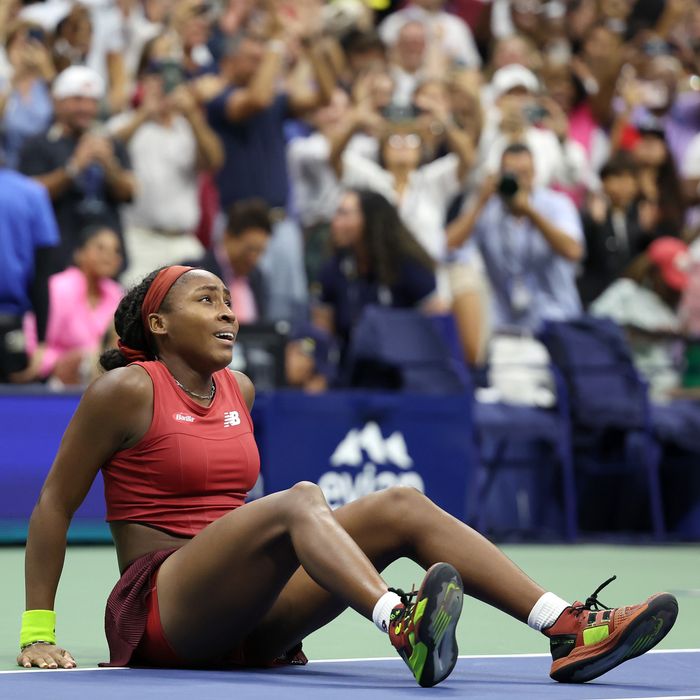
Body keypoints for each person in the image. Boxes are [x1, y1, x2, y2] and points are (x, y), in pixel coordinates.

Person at [17, 265, 678, 688]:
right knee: (301, 499)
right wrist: (37, 632)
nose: (228, 312)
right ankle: (400, 622)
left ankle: (566, 627)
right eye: (205, 300)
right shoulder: (126, 389)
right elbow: (53, 504)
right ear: (158, 324)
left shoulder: (238, 389)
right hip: (166, 610)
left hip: (245, 614)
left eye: (228, 300)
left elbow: (242, 519)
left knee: (400, 504)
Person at [108, 54, 224, 288]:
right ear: (145, 83)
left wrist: (191, 113)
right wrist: (144, 113)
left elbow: (215, 160)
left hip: (182, 240)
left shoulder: (188, 127)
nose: (164, 87)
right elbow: (108, 150)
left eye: (171, 81)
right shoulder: (126, 122)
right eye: (157, 80)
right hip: (140, 238)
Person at [447, 143, 584, 334]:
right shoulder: (488, 209)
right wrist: (479, 201)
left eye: (524, 173)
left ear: (535, 173)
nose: (519, 181)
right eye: (512, 174)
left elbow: (573, 251)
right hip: (504, 325)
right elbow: (447, 246)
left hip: (556, 319)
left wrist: (531, 212)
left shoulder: (557, 205)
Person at [18, 65, 135, 275]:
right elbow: (28, 195)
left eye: (92, 101)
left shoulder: (110, 143)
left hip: (108, 260)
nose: (86, 108)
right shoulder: (38, 144)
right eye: (77, 100)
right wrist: (74, 168)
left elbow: (130, 191)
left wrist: (109, 166)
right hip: (58, 258)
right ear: (57, 101)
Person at [313, 189, 439, 354]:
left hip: (403, 368)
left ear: (370, 219)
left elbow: (438, 323)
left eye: (344, 214)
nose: (336, 223)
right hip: (352, 371)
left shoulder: (408, 266)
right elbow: (320, 333)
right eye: (337, 214)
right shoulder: (335, 268)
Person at [22, 225, 124, 386]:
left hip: (101, 380)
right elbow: (32, 339)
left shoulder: (117, 294)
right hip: (53, 380)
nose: (109, 255)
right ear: (79, 253)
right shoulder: (58, 287)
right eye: (100, 247)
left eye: (116, 250)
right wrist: (56, 363)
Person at [0, 160, 59, 383]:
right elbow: (41, 274)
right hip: (13, 325)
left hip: (13, 321)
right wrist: (42, 341)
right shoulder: (31, 192)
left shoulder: (32, 192)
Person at [184, 199, 272, 325]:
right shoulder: (194, 273)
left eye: (260, 251)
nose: (254, 258)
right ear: (227, 236)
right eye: (249, 249)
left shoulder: (257, 277)